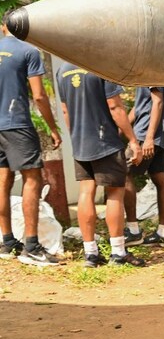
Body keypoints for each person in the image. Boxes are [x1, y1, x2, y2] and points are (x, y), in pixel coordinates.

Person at [56, 62, 145, 267]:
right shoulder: (101, 65)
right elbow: (115, 106)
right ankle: (118, 252)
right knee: (115, 193)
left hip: (80, 142)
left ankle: (90, 253)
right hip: (105, 141)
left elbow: (65, 110)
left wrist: (76, 136)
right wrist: (133, 140)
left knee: (86, 192)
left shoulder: (62, 70)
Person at [0, 20, 62, 266]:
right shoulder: (28, 51)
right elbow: (39, 95)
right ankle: (32, 246)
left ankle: (7, 241)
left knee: (3, 181)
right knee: (33, 179)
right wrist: (52, 128)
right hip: (16, 123)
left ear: (3, 26)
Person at [124, 86, 164, 245]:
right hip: (159, 135)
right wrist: (122, 128)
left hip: (146, 134)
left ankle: (133, 231)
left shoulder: (151, 73)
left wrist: (149, 138)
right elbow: (139, 107)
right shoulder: (153, 73)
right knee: (159, 178)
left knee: (124, 174)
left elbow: (157, 102)